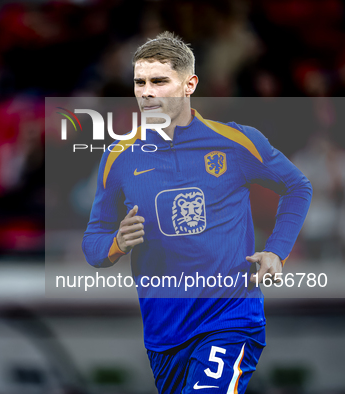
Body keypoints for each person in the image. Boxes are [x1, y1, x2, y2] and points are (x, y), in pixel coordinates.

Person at [82, 32, 312, 394]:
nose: (147, 92)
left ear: (189, 85)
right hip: (164, 334)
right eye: (140, 82)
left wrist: (276, 251)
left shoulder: (236, 142)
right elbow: (94, 245)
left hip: (231, 319)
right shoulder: (119, 157)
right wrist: (117, 243)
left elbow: (298, 187)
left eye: (159, 81)